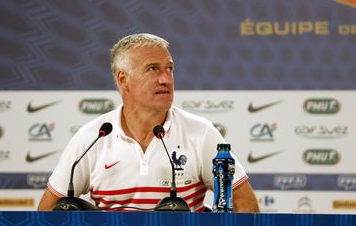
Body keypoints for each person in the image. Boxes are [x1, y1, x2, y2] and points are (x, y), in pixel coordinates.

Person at [37, 33, 259, 212]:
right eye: (153, 69)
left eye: (170, 68)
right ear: (124, 80)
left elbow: (245, 205)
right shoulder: (92, 137)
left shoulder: (200, 133)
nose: (166, 78)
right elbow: (47, 211)